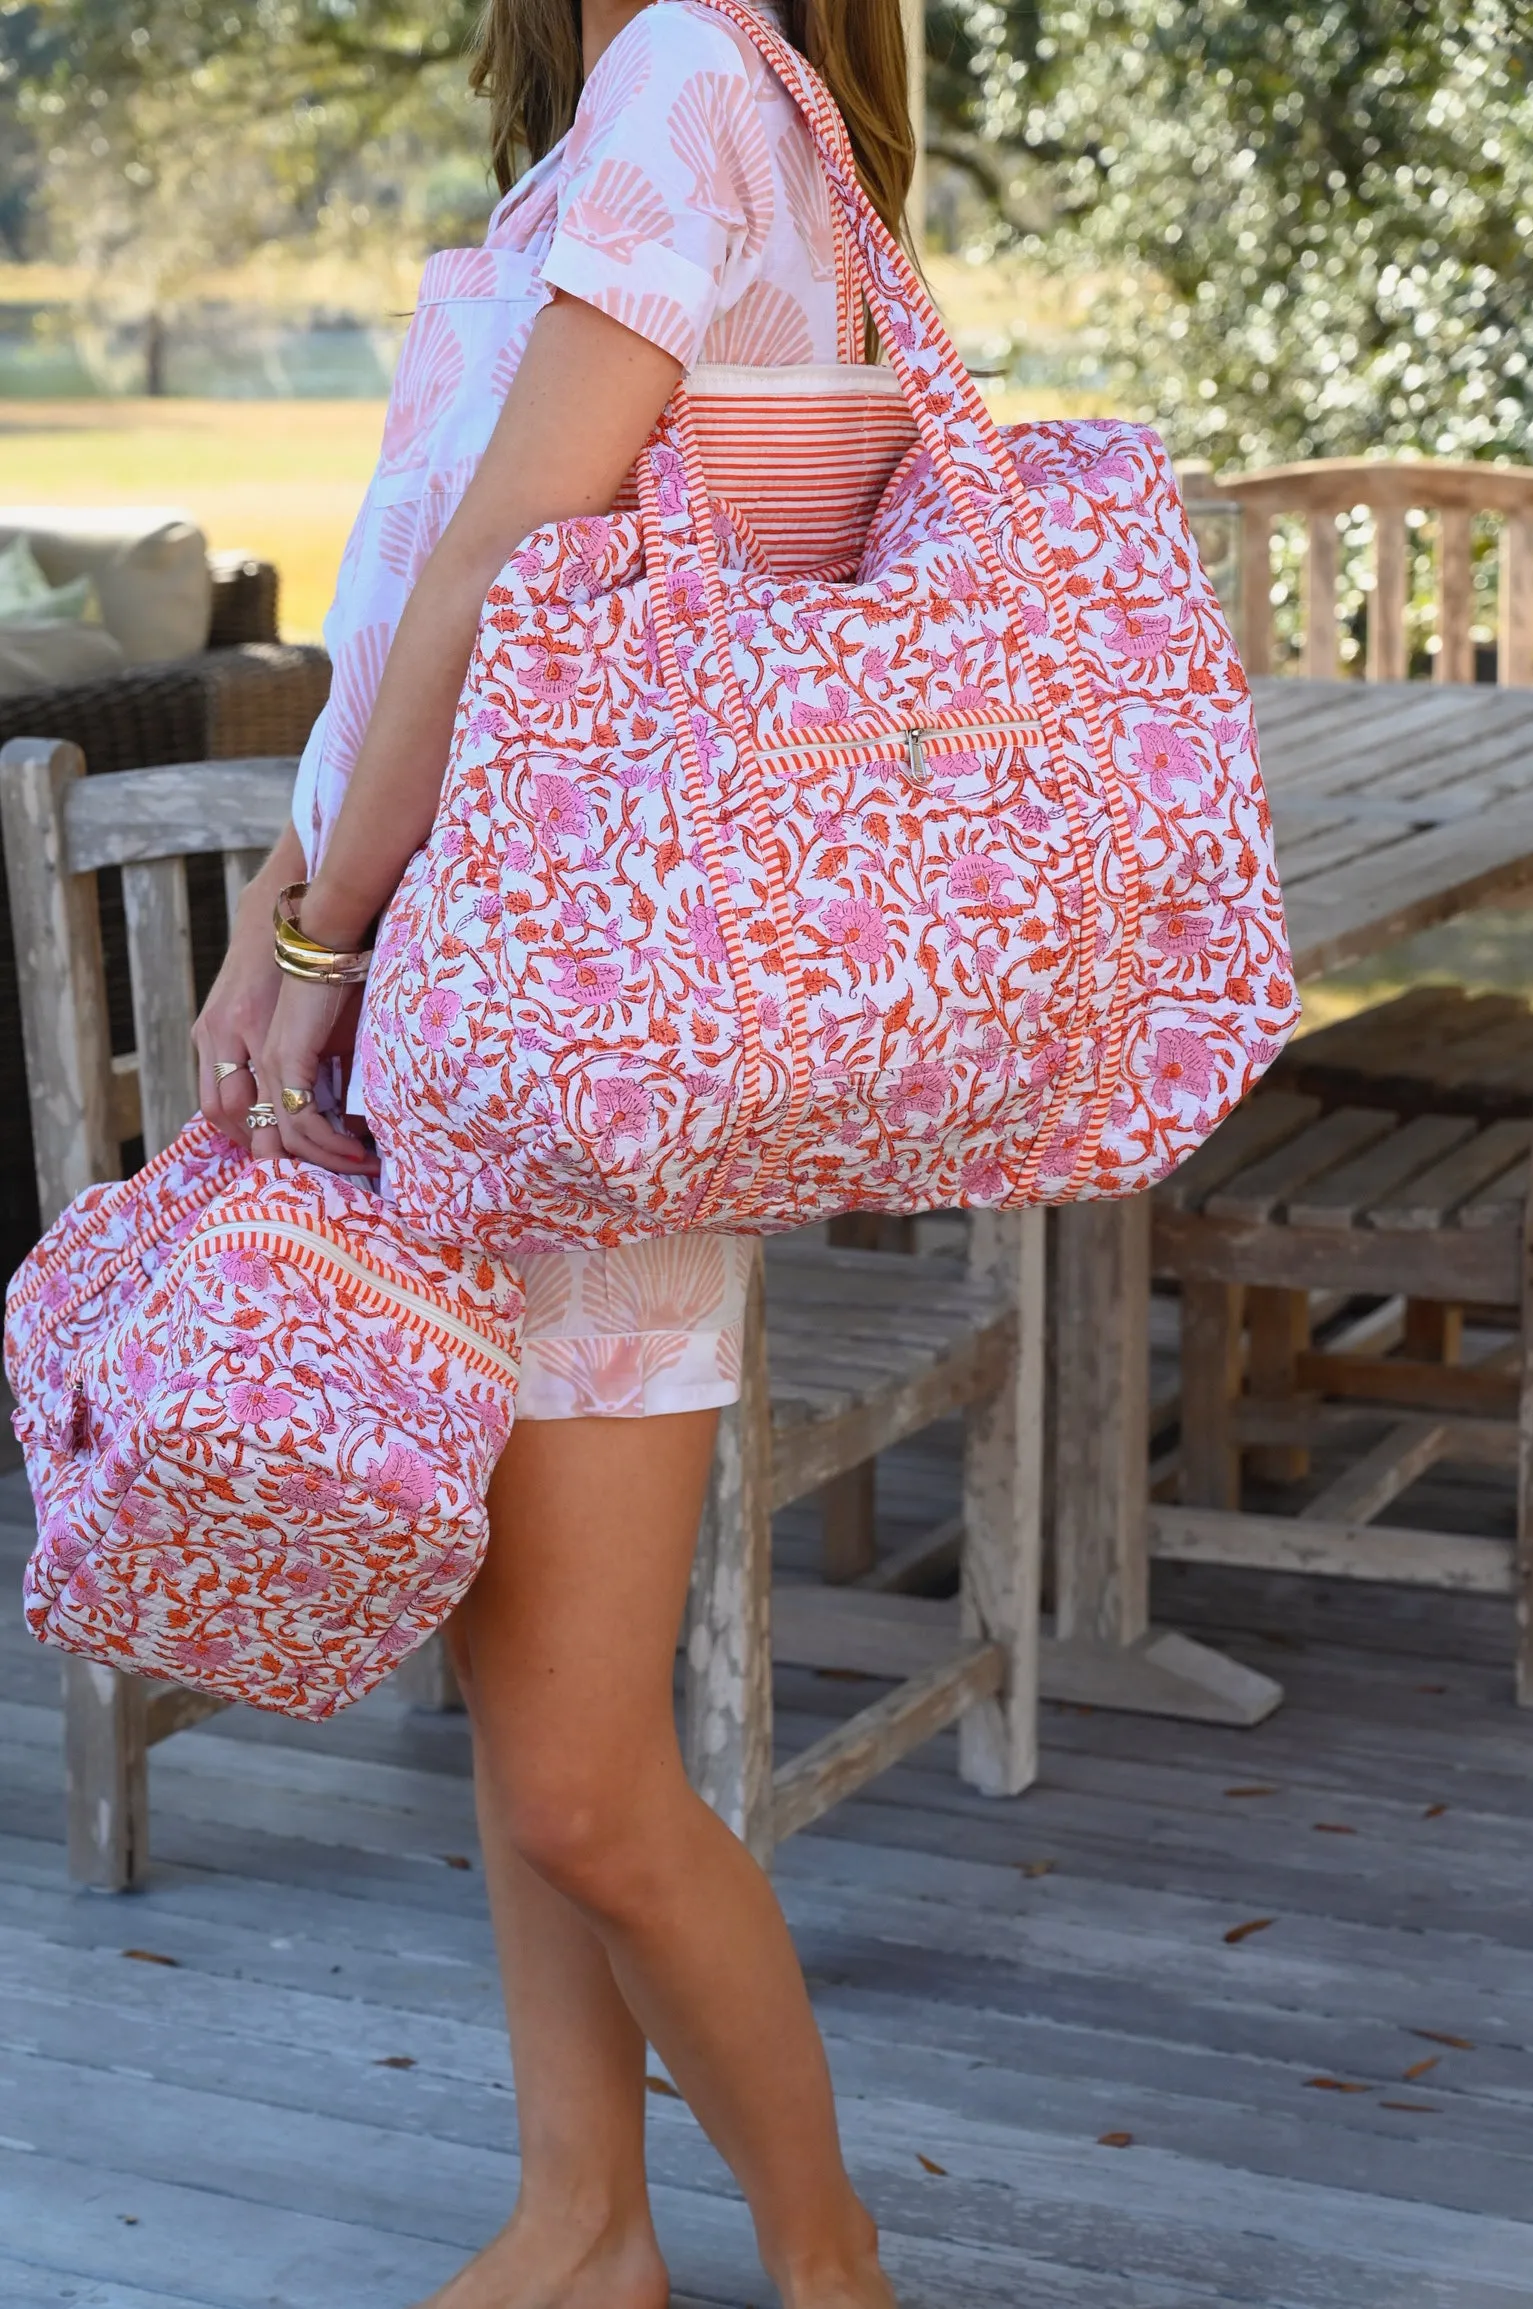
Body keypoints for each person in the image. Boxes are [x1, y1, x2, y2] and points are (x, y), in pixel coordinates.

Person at [192, 4, 915, 2304]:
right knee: (529, 1711)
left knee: (590, 1776)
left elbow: (521, 549)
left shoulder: (700, 71)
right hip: (479, 993)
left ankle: (833, 2269)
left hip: (568, 1033)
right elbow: (430, 555)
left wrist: (318, 912)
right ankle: (583, 2217)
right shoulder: (628, 104)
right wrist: (291, 891)